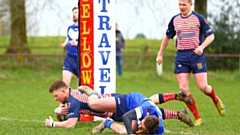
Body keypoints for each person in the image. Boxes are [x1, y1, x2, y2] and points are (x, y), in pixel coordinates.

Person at [156, 0, 226, 126]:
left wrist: (201, 47)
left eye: (184, 5)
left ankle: (216, 100)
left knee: (203, 87)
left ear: (190, 4)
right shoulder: (174, 20)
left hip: (196, 55)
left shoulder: (199, 18)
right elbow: (167, 37)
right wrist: (160, 53)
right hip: (181, 56)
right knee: (183, 90)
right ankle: (197, 118)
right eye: (179, 5)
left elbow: (211, 36)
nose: (181, 7)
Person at [45, 80, 194, 129]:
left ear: (64, 91)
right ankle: (178, 112)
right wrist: (58, 113)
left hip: (113, 105)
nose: (55, 98)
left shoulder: (73, 101)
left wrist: (52, 124)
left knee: (142, 112)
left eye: (56, 96)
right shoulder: (70, 98)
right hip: (113, 108)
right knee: (147, 108)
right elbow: (65, 120)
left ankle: (93, 94)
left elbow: (70, 124)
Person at [78, 86, 194, 134]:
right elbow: (126, 117)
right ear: (144, 118)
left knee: (124, 130)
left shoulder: (159, 129)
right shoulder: (145, 110)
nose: (140, 126)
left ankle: (107, 123)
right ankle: (93, 93)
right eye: (141, 124)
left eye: (142, 128)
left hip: (141, 106)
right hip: (128, 101)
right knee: (92, 104)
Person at [60, 7, 79, 87]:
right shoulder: (70, 28)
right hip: (69, 58)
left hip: (80, 60)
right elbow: (68, 38)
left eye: (76, 13)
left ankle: (79, 99)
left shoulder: (85, 29)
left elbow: (88, 42)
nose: (74, 15)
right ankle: (66, 99)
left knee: (81, 89)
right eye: (73, 13)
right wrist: (65, 44)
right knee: (65, 85)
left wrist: (77, 43)